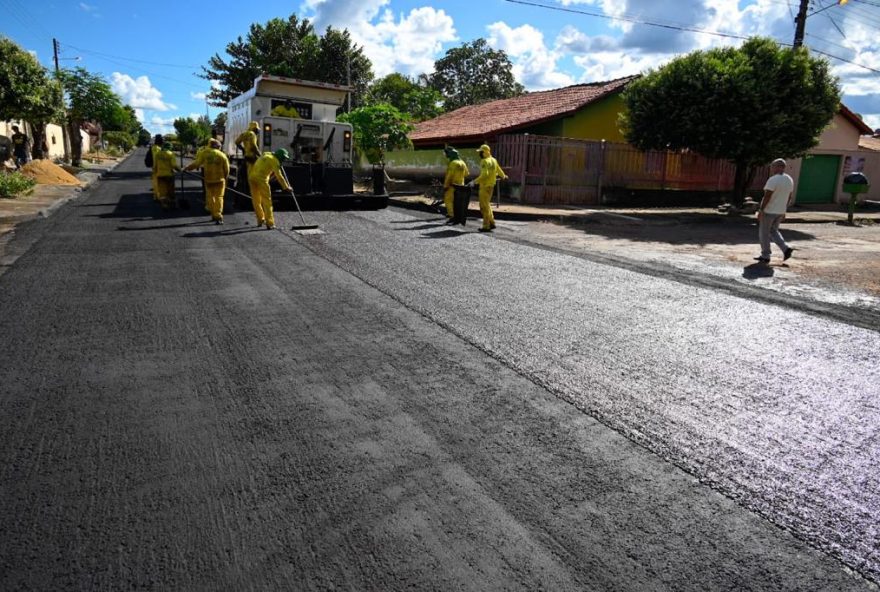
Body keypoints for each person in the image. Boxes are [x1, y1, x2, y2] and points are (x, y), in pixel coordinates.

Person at [754, 158, 795, 264]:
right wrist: (784, 210)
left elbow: (767, 196)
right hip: (780, 211)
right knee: (773, 231)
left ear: (778, 167)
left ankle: (766, 255)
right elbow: (789, 196)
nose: (772, 168)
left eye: (773, 166)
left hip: (769, 210)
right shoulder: (789, 179)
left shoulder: (773, 179)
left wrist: (761, 210)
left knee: (764, 233)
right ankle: (785, 248)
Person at [184, 139, 229, 224]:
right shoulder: (222, 155)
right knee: (219, 197)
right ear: (218, 147)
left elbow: (196, 163)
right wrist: (225, 178)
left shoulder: (204, 153)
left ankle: (213, 214)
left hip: (209, 180)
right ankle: (218, 215)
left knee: (210, 197)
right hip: (220, 180)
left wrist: (187, 168)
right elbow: (227, 169)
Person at [248, 149, 291, 230]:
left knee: (256, 200)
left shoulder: (266, 154)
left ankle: (260, 220)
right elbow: (279, 176)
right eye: (284, 158)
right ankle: (270, 223)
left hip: (252, 177)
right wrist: (286, 187)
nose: (284, 159)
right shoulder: (274, 161)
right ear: (280, 156)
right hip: (261, 179)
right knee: (267, 201)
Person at [472, 144, 507, 232]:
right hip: (491, 186)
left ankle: (486, 226)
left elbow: (484, 174)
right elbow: (499, 170)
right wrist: (503, 176)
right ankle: (492, 222)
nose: (479, 154)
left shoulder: (484, 161)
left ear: (485, 152)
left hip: (484, 186)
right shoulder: (493, 160)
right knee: (487, 205)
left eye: (481, 152)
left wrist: (474, 182)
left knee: (483, 207)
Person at [442, 146, 468, 224]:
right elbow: (466, 173)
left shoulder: (453, 163)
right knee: (457, 202)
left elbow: (449, 176)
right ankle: (457, 216)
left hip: (451, 186)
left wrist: (446, 186)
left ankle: (452, 216)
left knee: (448, 200)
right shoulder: (462, 162)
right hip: (461, 185)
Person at [154, 143, 180, 210]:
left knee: (162, 192)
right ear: (169, 147)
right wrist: (180, 170)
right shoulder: (170, 154)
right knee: (170, 190)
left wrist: (155, 173)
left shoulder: (158, 154)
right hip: (169, 175)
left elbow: (155, 166)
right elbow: (174, 165)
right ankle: (173, 204)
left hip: (160, 175)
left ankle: (164, 205)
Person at [150, 134, 164, 201]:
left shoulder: (153, 147)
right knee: (159, 182)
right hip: (159, 167)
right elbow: (157, 158)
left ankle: (155, 196)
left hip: (154, 167)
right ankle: (159, 196)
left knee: (155, 182)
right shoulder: (159, 149)